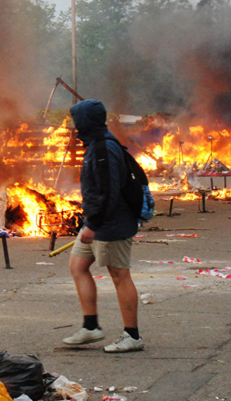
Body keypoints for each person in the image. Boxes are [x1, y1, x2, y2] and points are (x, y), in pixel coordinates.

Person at [62, 99, 144, 353]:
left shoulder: (103, 148)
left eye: (77, 121)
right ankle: (90, 327)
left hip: (110, 223)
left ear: (86, 121)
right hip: (97, 221)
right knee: (77, 266)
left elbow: (109, 190)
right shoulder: (96, 145)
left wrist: (94, 225)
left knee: (120, 275)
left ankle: (133, 336)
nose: (74, 127)